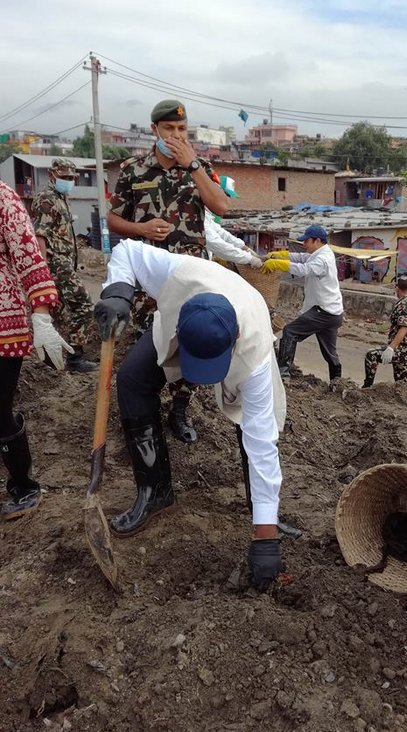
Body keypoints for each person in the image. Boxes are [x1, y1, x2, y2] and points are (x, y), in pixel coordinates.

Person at [93, 239, 286, 591]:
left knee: (254, 421)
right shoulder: (177, 274)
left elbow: (263, 443)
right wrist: (119, 292)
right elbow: (126, 250)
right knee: (133, 380)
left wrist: (266, 536)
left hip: (240, 330)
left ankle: (258, 507)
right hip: (191, 319)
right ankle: (155, 491)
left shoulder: (254, 351)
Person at [108, 100, 229, 445]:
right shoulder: (132, 170)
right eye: (169, 129)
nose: (176, 135)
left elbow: (221, 206)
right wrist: (141, 229)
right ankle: (142, 412)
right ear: (155, 131)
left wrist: (193, 165)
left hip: (192, 275)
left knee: (187, 339)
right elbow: (113, 220)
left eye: (182, 130)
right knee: (147, 344)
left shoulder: (200, 166)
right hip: (149, 279)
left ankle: (179, 407)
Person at [0, 182, 73, 519]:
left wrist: (41, 316)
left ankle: (23, 485)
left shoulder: (3, 197)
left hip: (4, 324)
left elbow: (29, 256)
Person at [31, 158, 99, 373]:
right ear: (52, 175)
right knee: (84, 304)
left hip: (64, 261)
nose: (68, 181)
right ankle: (75, 358)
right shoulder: (47, 199)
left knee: (59, 311)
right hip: (56, 263)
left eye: (71, 178)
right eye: (64, 177)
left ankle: (54, 360)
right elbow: (39, 235)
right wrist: (41, 271)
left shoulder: (61, 197)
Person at [261, 225, 344, 382]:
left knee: (290, 332)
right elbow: (300, 257)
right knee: (330, 352)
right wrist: (280, 255)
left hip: (323, 311)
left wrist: (279, 264)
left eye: (306, 241)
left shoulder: (323, 259)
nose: (304, 244)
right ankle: (337, 382)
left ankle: (283, 374)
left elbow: (305, 269)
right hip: (333, 313)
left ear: (317, 240)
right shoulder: (320, 253)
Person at [362, 275, 407, 387]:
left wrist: (391, 348)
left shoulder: (404, 304)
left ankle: (367, 387)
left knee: (371, 355)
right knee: (403, 385)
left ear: (397, 287)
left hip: (402, 348)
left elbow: (404, 327)